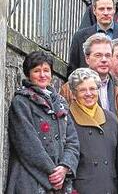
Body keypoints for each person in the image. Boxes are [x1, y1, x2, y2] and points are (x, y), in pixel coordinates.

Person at [6, 51, 79, 194]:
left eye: (46, 70)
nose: (42, 75)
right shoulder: (21, 102)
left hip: (60, 180)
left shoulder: (61, 103)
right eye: (36, 71)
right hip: (30, 181)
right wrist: (53, 175)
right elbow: (27, 144)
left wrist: (65, 167)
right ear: (28, 74)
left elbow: (73, 141)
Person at [68, 68, 118, 194]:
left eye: (92, 89)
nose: (89, 93)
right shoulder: (67, 119)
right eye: (82, 90)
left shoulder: (111, 118)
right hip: (81, 188)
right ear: (74, 94)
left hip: (109, 187)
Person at [68, 0, 118, 77]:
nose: (106, 13)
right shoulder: (79, 37)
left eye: (109, 9)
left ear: (114, 10)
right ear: (94, 11)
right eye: (101, 9)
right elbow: (73, 68)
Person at [64, 33, 118, 121]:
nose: (104, 60)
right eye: (98, 55)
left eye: (107, 55)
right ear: (87, 58)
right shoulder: (69, 89)